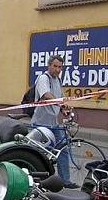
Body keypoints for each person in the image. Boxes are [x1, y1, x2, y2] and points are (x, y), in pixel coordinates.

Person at [30, 54, 75, 187]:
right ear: (49, 66)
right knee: (40, 153)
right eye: (55, 66)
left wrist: (63, 109)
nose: (57, 69)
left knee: (62, 150)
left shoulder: (57, 80)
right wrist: (60, 104)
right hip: (41, 123)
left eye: (60, 67)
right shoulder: (44, 78)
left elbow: (59, 97)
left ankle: (65, 181)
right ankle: (38, 181)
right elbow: (46, 95)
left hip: (54, 123)